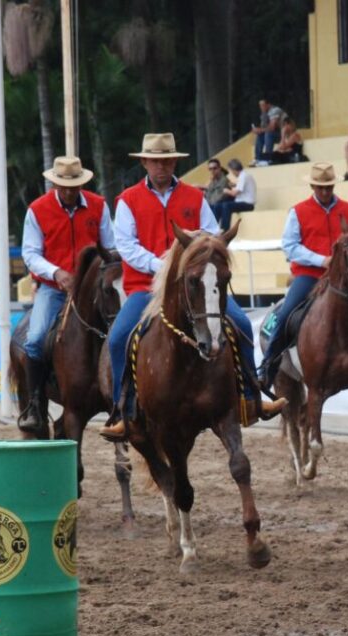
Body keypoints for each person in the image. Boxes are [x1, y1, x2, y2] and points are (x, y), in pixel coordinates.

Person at [101, 133, 285, 440]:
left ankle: (252, 398)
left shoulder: (194, 197)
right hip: (145, 289)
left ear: (174, 162)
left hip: (197, 287)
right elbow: (127, 246)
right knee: (119, 338)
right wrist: (165, 267)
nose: (162, 167)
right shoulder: (127, 201)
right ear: (145, 162)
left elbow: (212, 237)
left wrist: (196, 264)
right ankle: (126, 411)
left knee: (240, 323)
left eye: (167, 161)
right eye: (156, 161)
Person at [257, 162, 348, 392]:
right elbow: (289, 245)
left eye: (328, 187)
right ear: (313, 186)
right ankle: (268, 365)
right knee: (287, 312)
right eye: (320, 187)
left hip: (345, 279)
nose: (325, 192)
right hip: (309, 275)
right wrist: (320, 260)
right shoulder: (298, 211)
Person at [18, 156, 113, 435]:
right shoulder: (38, 210)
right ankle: (35, 403)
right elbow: (30, 254)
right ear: (55, 183)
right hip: (54, 288)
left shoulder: (98, 205)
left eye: (75, 186)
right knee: (35, 339)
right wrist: (57, 273)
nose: (70, 191)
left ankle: (128, 401)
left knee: (124, 330)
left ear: (83, 183)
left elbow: (112, 247)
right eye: (64, 185)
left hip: (94, 288)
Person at [213, 159, 256, 230]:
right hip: (242, 202)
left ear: (233, 169)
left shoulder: (243, 176)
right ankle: (213, 228)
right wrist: (233, 186)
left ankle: (224, 229)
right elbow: (239, 189)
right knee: (218, 205)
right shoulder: (244, 176)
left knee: (226, 205)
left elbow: (234, 193)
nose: (231, 173)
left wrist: (226, 190)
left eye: (231, 171)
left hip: (248, 204)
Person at [250, 99, 284, 166]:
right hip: (274, 133)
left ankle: (268, 158)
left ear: (268, 104)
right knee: (260, 135)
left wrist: (260, 130)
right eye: (260, 106)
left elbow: (272, 127)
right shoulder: (264, 113)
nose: (261, 107)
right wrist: (257, 130)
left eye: (263, 105)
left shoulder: (275, 110)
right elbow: (263, 128)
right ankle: (258, 158)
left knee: (268, 133)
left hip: (283, 134)